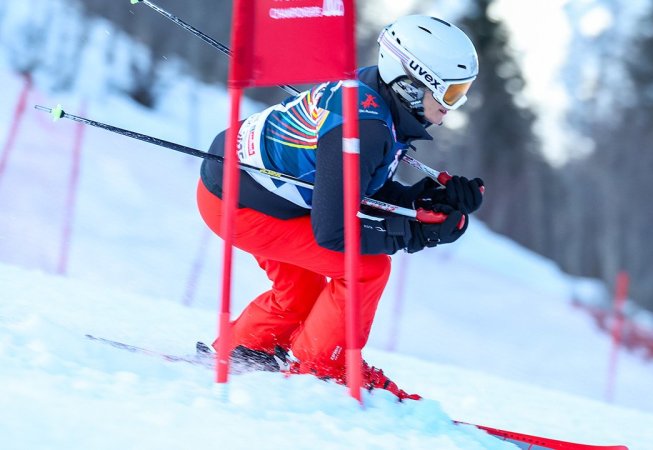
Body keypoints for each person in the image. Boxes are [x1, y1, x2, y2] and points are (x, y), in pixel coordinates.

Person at [196, 15, 484, 400]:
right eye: (450, 93)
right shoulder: (366, 129)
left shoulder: (375, 97)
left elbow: (358, 190)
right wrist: (416, 232)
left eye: (462, 92)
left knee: (300, 289)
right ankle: (320, 367)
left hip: (245, 189)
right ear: (412, 85)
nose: (454, 106)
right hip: (238, 202)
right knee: (366, 269)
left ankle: (244, 350)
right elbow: (334, 231)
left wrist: (426, 201)